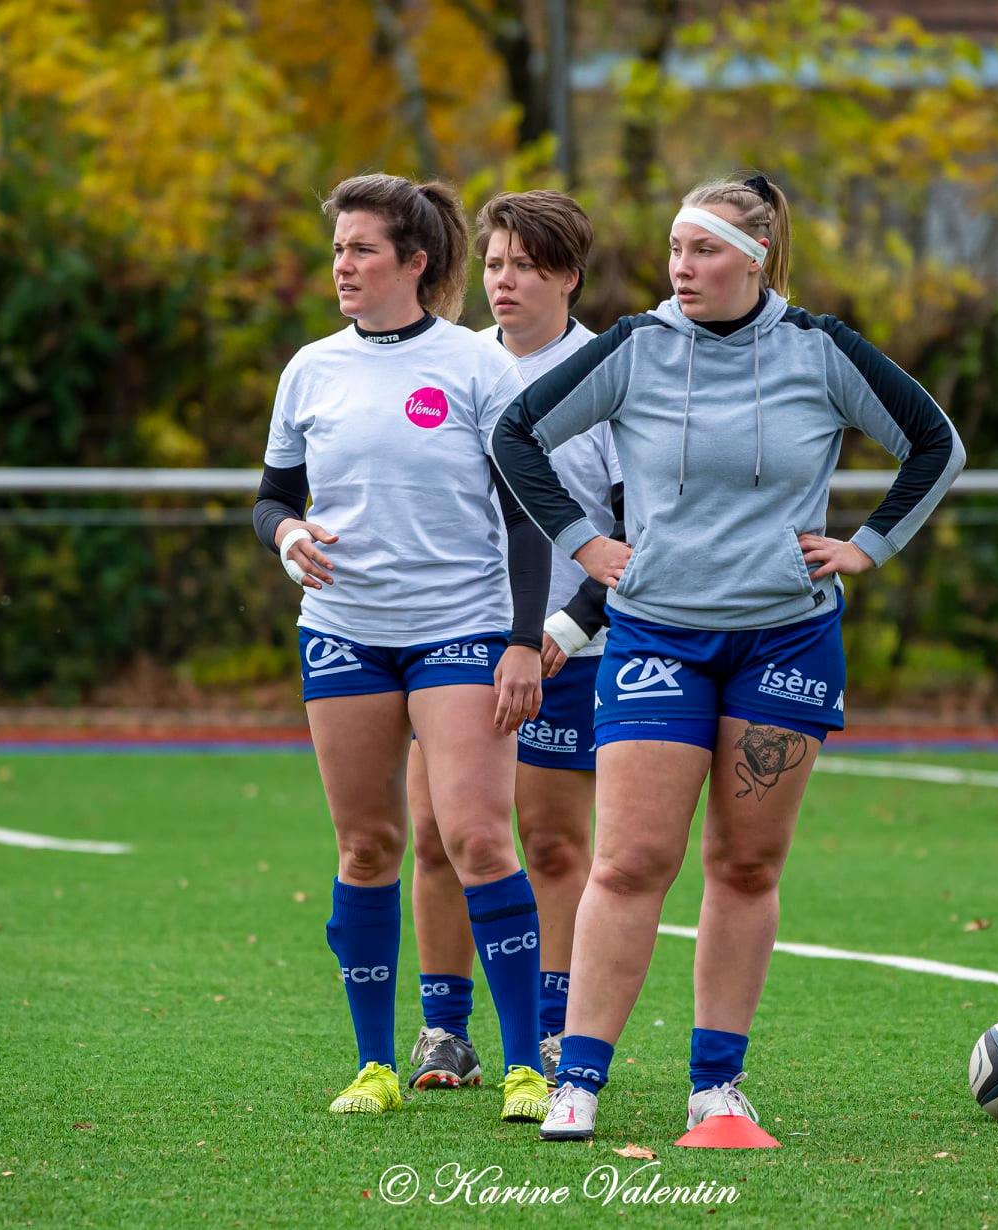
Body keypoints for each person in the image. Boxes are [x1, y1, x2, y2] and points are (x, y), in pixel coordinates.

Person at [490, 172, 966, 1141]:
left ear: (754, 259)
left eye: (703, 250)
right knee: (630, 862)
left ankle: (716, 1085)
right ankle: (577, 1078)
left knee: (746, 864)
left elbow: (935, 443)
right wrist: (585, 545)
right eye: (674, 248)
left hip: (787, 636)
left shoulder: (821, 350)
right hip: (658, 631)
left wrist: (867, 544)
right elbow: (516, 434)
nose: (681, 267)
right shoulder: (634, 348)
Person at [252, 173, 554, 1123]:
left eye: (362, 249)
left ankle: (524, 1068)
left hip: (460, 629)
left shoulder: (475, 367)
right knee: (368, 844)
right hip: (344, 634)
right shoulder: (310, 369)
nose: (343, 265)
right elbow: (271, 496)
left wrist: (519, 642)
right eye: (338, 249)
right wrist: (288, 538)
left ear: (414, 262)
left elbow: (530, 517)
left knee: (471, 835)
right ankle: (374, 1064)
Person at [406, 190, 621, 1092]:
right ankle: (444, 1030)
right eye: (494, 264)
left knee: (552, 843)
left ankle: (548, 1031)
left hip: (570, 649)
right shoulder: (454, 365)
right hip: (456, 640)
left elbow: (633, 532)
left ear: (569, 277)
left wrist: (564, 629)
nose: (505, 282)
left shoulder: (610, 376)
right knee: (436, 834)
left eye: (527, 266)